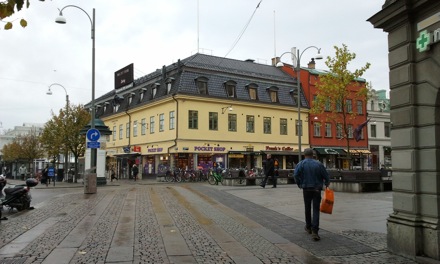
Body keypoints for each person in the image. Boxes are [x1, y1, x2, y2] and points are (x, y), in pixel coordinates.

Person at [293, 148, 330, 241]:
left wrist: (299, 184)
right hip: (317, 189)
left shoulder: (301, 164)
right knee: (316, 209)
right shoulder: (318, 164)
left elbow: (296, 175)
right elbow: (326, 176)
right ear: (312, 154)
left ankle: (308, 227)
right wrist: (326, 184)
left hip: (306, 188)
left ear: (304, 155)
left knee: (307, 207)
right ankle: (315, 231)